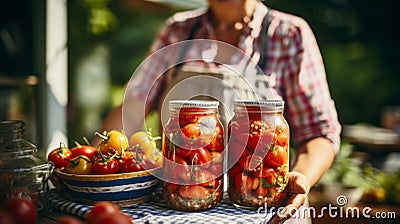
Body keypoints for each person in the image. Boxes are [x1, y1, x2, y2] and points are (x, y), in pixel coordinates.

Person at [98, 0, 341, 223]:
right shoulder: (178, 31)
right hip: (178, 209)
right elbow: (134, 106)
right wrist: (107, 154)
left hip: (263, 206)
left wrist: (301, 176)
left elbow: (319, 132)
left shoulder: (289, 34)